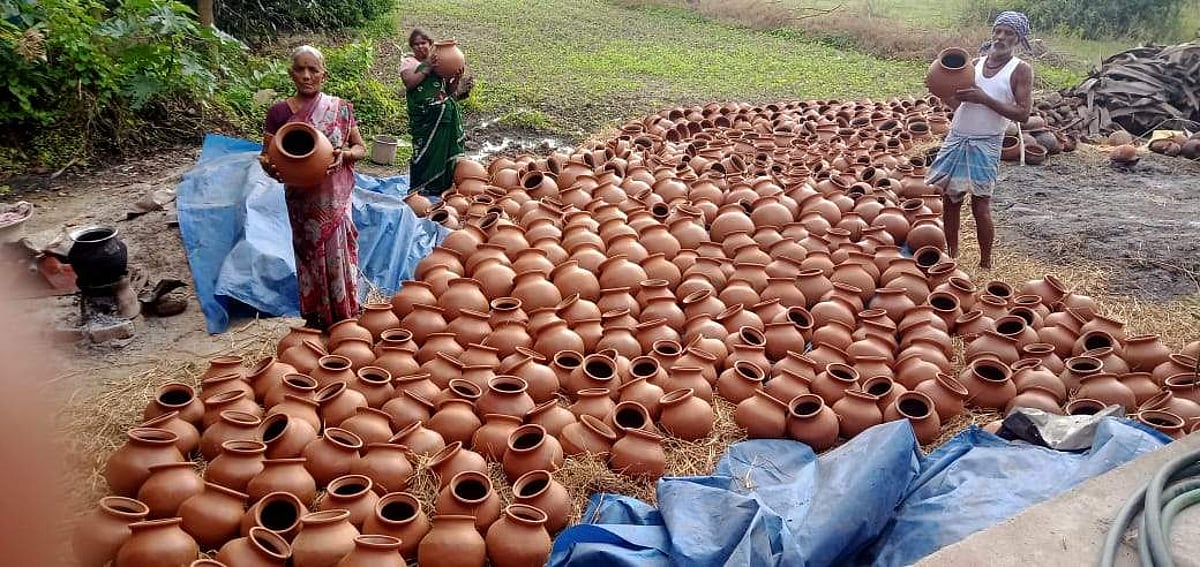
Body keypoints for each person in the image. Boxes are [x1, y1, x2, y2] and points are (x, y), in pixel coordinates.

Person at [259, 45, 367, 330]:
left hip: (335, 198)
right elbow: (267, 154)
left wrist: (344, 155)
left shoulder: (340, 108)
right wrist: (271, 168)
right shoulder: (279, 112)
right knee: (309, 255)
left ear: (323, 74)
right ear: (290, 73)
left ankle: (345, 315)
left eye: (313, 70)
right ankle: (317, 317)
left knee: (339, 253)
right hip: (301, 200)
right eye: (300, 69)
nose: (306, 76)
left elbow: (360, 147)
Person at [925, 11, 1033, 269]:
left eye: (1008, 33)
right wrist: (939, 90)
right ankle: (952, 256)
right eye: (998, 31)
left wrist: (984, 98)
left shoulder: (1019, 70)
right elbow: (958, 104)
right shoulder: (974, 64)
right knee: (950, 200)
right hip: (958, 136)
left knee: (981, 204)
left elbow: (1024, 114)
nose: (1001, 37)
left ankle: (985, 264)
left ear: (1018, 38)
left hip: (986, 141)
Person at [400, 28, 471, 196]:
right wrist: (427, 67)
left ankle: (440, 187)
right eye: (416, 44)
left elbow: (449, 92)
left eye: (423, 43)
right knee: (424, 151)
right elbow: (409, 83)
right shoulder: (409, 62)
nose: (420, 47)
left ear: (430, 44)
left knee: (443, 149)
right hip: (424, 116)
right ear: (411, 47)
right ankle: (420, 187)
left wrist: (456, 80)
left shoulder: (440, 64)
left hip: (441, 118)